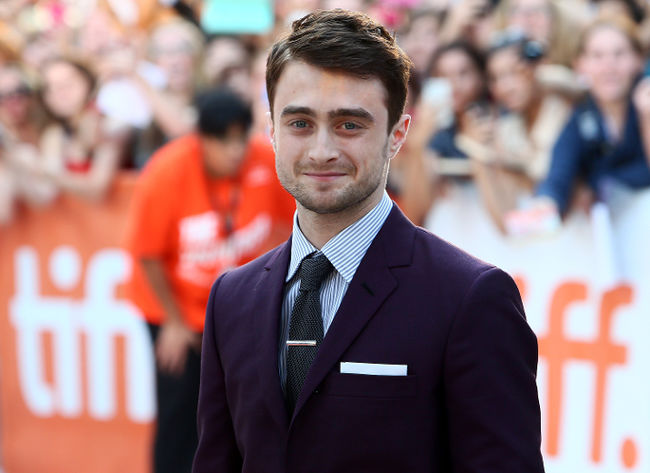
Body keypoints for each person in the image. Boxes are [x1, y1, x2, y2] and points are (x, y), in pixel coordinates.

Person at [193, 9, 544, 473]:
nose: (322, 150)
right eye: (300, 123)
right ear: (272, 130)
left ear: (397, 135)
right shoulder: (231, 298)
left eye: (349, 125)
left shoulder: (470, 298)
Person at [123, 87, 294, 473]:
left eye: (240, 138)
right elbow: (147, 253)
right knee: (180, 413)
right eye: (223, 141)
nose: (235, 150)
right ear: (201, 138)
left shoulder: (265, 160)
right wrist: (172, 321)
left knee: (243, 410)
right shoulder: (167, 170)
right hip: (174, 309)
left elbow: (302, 218)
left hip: (239, 311)